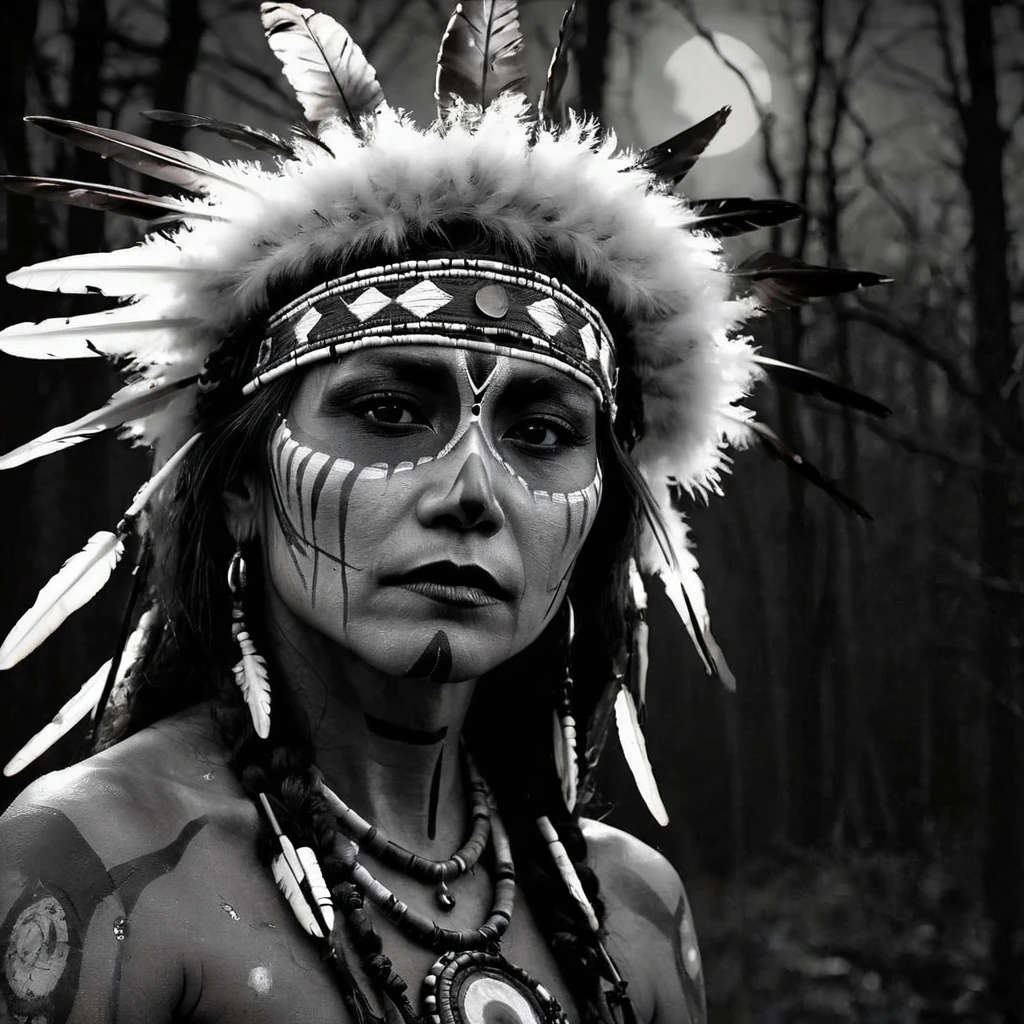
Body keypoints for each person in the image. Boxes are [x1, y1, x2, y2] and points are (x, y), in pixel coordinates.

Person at [0, 3, 888, 1022]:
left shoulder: (634, 911)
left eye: (542, 433)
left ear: (598, 515)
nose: (473, 490)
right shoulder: (101, 868)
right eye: (386, 410)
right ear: (242, 488)